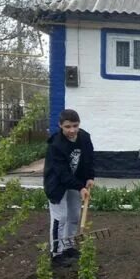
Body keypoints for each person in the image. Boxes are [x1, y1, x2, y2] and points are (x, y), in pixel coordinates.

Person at [44, 109, 94, 267]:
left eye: (75, 125)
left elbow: (88, 159)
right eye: (67, 127)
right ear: (60, 126)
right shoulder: (56, 145)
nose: (72, 130)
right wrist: (80, 187)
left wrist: (90, 177)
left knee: (73, 215)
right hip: (57, 184)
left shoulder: (84, 138)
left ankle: (69, 247)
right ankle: (56, 253)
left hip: (76, 181)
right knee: (61, 218)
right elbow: (62, 173)